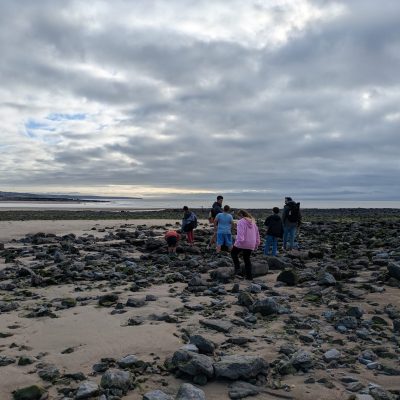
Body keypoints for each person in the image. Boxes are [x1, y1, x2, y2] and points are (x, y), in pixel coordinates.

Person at [231, 209, 260, 280]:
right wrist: (257, 243)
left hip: (243, 242)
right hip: (251, 243)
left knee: (233, 253)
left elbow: (240, 233)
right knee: (246, 259)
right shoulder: (253, 222)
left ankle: (238, 269)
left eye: (238, 216)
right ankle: (249, 277)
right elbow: (257, 234)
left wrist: (238, 242)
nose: (238, 218)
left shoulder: (241, 222)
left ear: (241, 215)